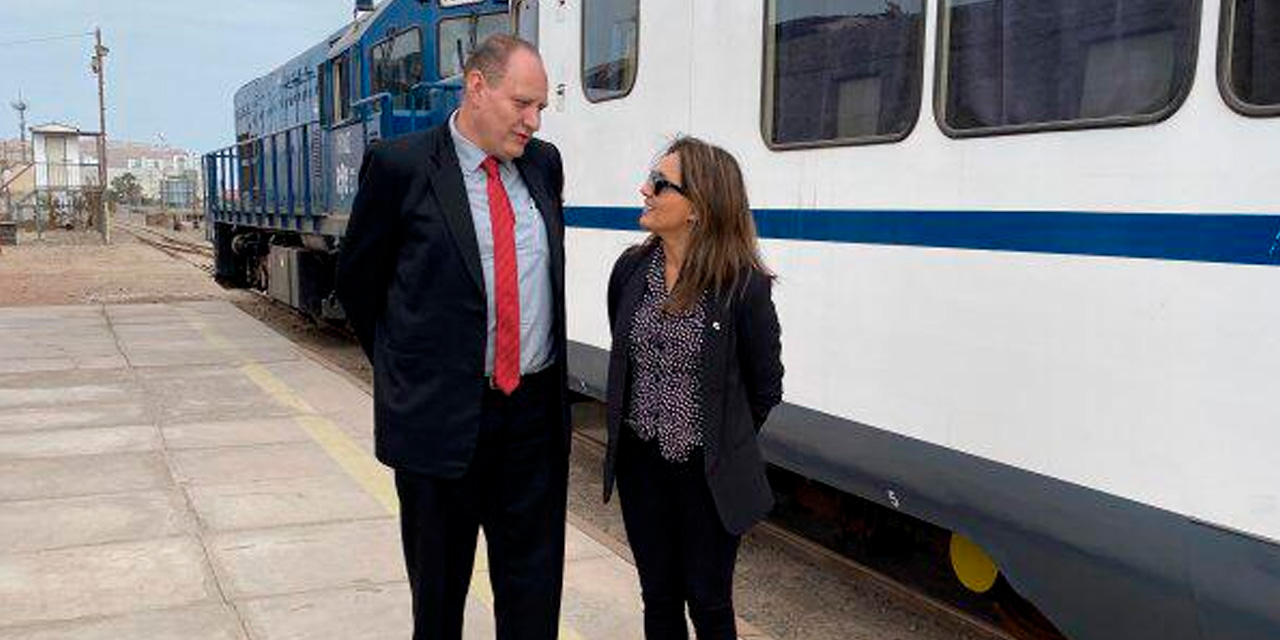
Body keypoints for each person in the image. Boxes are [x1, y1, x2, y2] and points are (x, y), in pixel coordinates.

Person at [335, 34, 569, 640]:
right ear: (476, 87)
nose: (533, 121)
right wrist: (406, 376)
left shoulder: (543, 165)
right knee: (438, 607)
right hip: (440, 427)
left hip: (532, 423)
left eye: (541, 107)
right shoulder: (402, 166)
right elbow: (361, 283)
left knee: (533, 600)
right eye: (523, 103)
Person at [603, 136, 784, 639]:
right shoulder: (631, 270)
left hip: (706, 477)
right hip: (642, 468)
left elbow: (766, 386)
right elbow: (629, 357)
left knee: (708, 604)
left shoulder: (742, 286)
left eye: (661, 184)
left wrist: (720, 440)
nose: (645, 189)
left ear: (699, 207)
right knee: (658, 598)